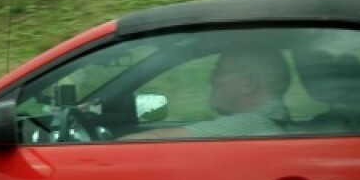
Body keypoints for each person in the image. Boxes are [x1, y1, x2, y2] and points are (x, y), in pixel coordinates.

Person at [125, 45, 292, 140]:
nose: (211, 80)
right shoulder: (274, 121)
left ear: (248, 83)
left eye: (218, 72)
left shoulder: (249, 125)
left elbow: (152, 140)